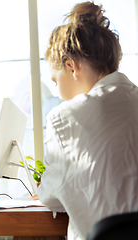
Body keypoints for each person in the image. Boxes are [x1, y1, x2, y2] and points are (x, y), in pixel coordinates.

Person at [36, 1, 138, 240]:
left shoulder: (64, 117)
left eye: (55, 80)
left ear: (71, 67)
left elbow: (50, 197)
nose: (58, 90)